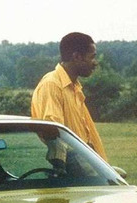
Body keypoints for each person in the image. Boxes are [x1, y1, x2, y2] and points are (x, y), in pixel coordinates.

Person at [31, 32, 107, 165]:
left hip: (86, 169)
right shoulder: (52, 85)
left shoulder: (74, 87)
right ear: (77, 56)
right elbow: (54, 135)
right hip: (73, 172)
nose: (95, 63)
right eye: (92, 57)